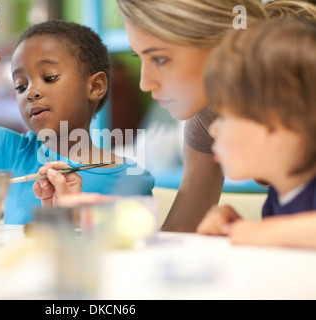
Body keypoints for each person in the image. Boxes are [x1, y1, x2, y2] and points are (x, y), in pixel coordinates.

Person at [38, 0, 268, 232]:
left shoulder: (294, 98)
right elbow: (180, 234)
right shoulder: (206, 119)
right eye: (140, 58)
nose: (145, 83)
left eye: (159, 59)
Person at [0, 19, 154, 225]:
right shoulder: (11, 151)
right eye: (20, 86)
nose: (31, 93)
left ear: (95, 86)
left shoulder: (132, 180)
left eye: (49, 77)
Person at [196, 18, 316, 248]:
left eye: (225, 116)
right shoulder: (279, 197)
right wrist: (237, 228)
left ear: (278, 126)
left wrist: (260, 232)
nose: (213, 129)